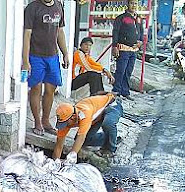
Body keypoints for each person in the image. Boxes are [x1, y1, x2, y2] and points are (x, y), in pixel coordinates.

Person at [23, 0, 70, 136]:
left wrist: (65, 53)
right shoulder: (32, 8)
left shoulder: (59, 6)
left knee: (51, 89)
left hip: (52, 56)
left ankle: (45, 121)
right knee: (36, 88)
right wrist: (26, 61)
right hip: (35, 55)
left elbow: (60, 31)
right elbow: (27, 34)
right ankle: (37, 122)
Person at [52, 92, 123, 160]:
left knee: (108, 123)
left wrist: (69, 160)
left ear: (73, 117)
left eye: (65, 123)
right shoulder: (65, 120)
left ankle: (110, 149)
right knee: (86, 141)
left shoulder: (85, 113)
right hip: (96, 116)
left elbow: (81, 138)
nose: (64, 126)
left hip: (112, 105)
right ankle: (112, 138)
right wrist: (55, 161)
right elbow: (59, 145)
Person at [111, 0, 143, 99]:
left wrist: (140, 41)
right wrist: (114, 46)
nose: (133, 5)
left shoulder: (138, 18)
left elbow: (141, 31)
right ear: (127, 4)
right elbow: (115, 32)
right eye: (132, 3)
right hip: (123, 49)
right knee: (121, 70)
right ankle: (116, 91)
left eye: (135, 4)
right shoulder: (121, 18)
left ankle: (125, 92)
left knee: (129, 71)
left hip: (133, 50)